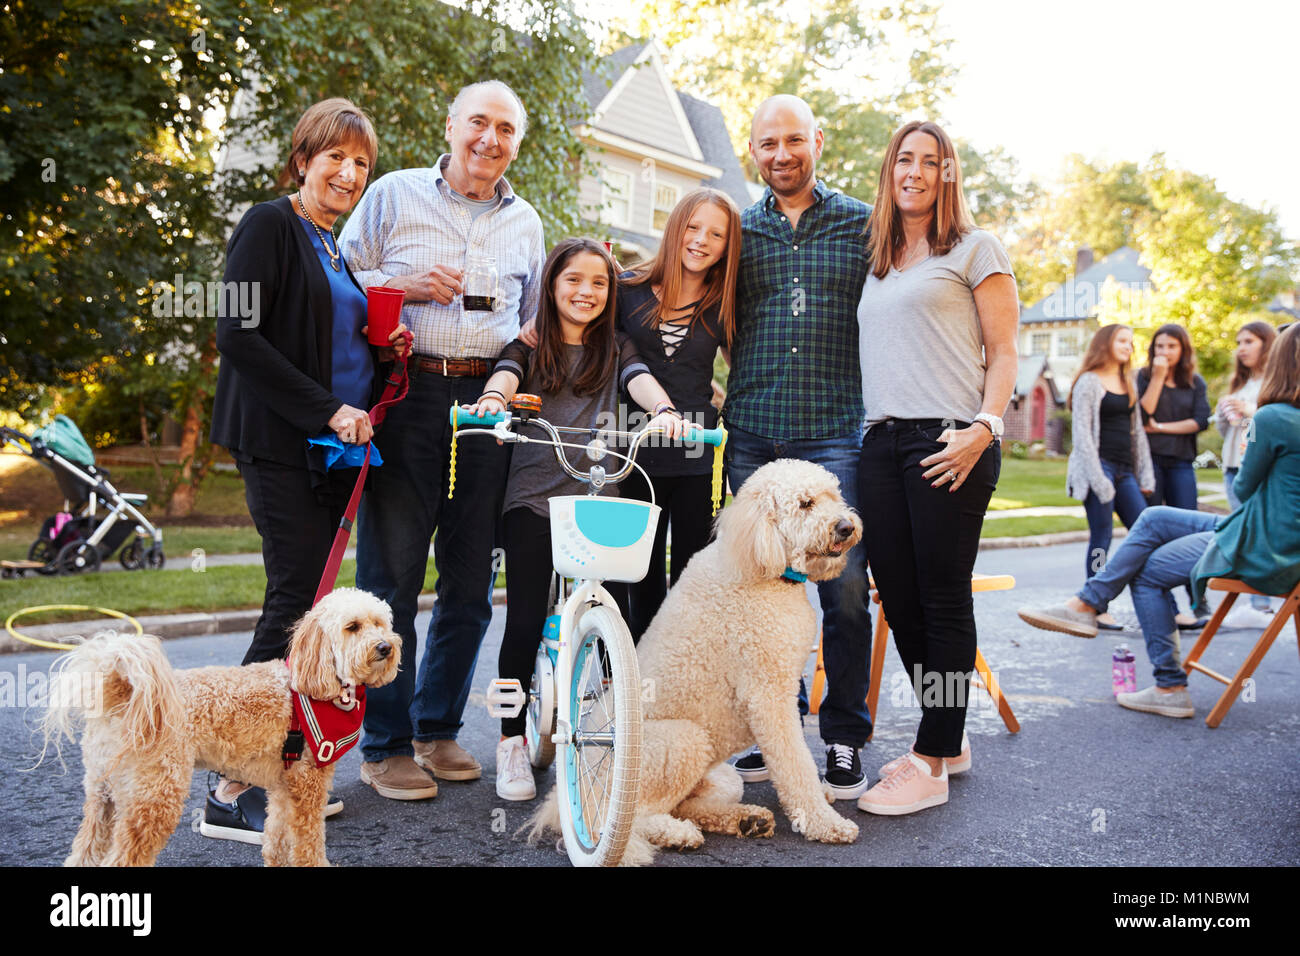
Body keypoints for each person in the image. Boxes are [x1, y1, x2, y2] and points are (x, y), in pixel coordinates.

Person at [337, 80, 545, 799]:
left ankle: (436, 728)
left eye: (506, 130)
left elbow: (537, 321)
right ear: (451, 124)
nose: (490, 139)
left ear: (519, 142)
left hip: (489, 402)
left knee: (469, 582)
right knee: (390, 578)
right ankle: (385, 742)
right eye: (479, 123)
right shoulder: (393, 192)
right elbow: (335, 275)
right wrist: (403, 284)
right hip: (408, 390)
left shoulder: (528, 222)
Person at [208, 98, 409, 840]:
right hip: (281, 440)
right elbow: (237, 333)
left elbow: (332, 335)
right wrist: (328, 408)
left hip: (332, 451)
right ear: (303, 160)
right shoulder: (268, 224)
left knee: (309, 603)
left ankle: (271, 768)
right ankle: (230, 785)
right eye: (336, 158)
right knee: (294, 598)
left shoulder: (334, 246)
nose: (349, 174)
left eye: (361, 163)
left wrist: (389, 353)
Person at [465, 238, 686, 799]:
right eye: (573, 281)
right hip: (535, 500)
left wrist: (663, 411)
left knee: (620, 614)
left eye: (599, 283)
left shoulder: (616, 345)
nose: (585, 292)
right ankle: (512, 741)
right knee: (521, 622)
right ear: (552, 285)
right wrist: (493, 399)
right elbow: (507, 373)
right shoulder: (532, 343)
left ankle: (612, 723)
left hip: (597, 501)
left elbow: (640, 379)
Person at [852, 120, 1019, 816]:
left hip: (952, 439)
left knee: (944, 597)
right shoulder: (880, 261)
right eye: (904, 161)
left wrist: (986, 429)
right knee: (899, 595)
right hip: (882, 443)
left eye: (931, 162)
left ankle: (929, 758)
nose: (915, 172)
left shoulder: (977, 249)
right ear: (889, 173)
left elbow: (1006, 352)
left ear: (948, 175)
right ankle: (946, 740)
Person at [1018, 323, 1300, 718]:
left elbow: (1248, 485)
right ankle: (1087, 604)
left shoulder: (1275, 417)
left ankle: (1169, 686)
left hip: (1261, 543)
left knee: (1146, 572)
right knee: (1152, 518)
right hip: (1271, 538)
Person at [722, 94, 874, 799]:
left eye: (793, 140)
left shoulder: (863, 226)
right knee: (759, 592)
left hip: (834, 431)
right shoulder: (736, 230)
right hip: (753, 431)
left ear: (817, 140)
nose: (781, 154)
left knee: (842, 592)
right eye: (766, 144)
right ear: (752, 150)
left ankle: (844, 737)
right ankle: (768, 725)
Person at [614, 188, 740, 640]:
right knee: (637, 574)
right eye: (693, 226)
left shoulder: (724, 303)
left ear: (728, 245)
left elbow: (743, 372)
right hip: (632, 450)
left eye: (717, 234)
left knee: (693, 577)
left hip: (699, 455)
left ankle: (683, 680)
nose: (702, 240)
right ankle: (635, 681)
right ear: (675, 227)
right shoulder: (625, 291)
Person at [1064, 324, 1154, 624]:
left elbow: (1137, 431)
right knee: (1101, 538)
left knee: (1145, 532)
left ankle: (1161, 603)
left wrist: (1146, 475)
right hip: (1097, 468)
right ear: (1105, 343)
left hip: (1125, 470)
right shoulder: (1089, 382)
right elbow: (1082, 436)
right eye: (1122, 341)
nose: (1129, 346)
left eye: (1131, 341)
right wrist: (1098, 479)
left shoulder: (1128, 380)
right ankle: (1096, 606)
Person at [1137, 322, 1211, 627]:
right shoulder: (1142, 377)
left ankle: (1199, 598)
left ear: (1182, 349)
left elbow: (1200, 421)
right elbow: (1143, 414)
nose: (1165, 352)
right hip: (1150, 461)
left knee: (1191, 531)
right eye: (1159, 346)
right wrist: (1157, 377)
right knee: (1153, 527)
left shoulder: (1194, 382)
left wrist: (1162, 427)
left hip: (1181, 462)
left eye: (1171, 346)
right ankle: (1161, 600)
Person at [1214, 320, 1278, 625]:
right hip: (1232, 465)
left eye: (1249, 341)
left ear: (1267, 344)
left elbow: (1274, 420)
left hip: (1259, 467)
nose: (1241, 348)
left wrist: (1248, 409)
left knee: (1253, 532)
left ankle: (1261, 604)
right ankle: (1258, 602)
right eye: (1239, 342)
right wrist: (1225, 411)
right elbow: (1227, 431)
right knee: (1242, 530)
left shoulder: (1277, 383)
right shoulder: (1238, 384)